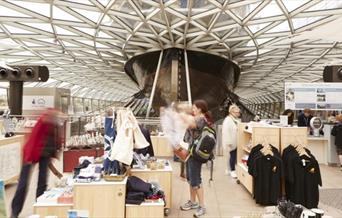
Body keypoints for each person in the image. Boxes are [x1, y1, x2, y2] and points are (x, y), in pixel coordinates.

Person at [11, 109, 64, 218]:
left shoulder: (54, 125)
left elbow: (56, 141)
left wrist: (54, 155)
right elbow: (33, 140)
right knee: (23, 183)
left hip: (44, 155)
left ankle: (39, 207)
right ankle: (15, 212)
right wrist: (29, 158)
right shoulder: (43, 121)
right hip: (31, 153)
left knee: (42, 181)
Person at [180, 99, 212, 218]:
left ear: (199, 109)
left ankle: (202, 206)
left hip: (195, 154)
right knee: (191, 178)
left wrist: (179, 111)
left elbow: (189, 123)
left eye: (194, 108)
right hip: (191, 152)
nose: (192, 110)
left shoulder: (201, 119)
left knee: (196, 180)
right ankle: (193, 202)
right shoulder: (197, 118)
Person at [222, 104, 240, 178]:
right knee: (232, 156)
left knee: (231, 156)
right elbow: (226, 132)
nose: (238, 114)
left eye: (238, 112)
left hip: (234, 141)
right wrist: (229, 142)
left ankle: (229, 169)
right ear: (231, 112)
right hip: (231, 142)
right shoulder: (228, 120)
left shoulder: (234, 120)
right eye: (236, 112)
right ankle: (232, 170)